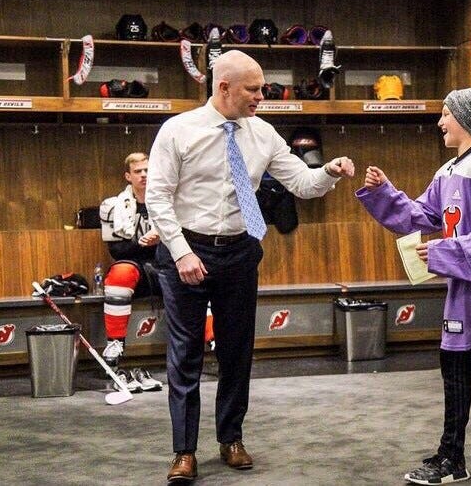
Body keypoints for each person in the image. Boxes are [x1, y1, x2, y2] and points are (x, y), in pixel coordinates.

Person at [145, 49, 355, 484]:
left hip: (240, 251)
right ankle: (184, 451)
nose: (263, 96)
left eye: (262, 88)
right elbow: (158, 197)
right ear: (224, 87)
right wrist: (182, 252)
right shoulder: (178, 131)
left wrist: (330, 172)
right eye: (254, 89)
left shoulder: (263, 134)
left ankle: (231, 439)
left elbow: (302, 183)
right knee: (184, 355)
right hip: (187, 249)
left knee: (237, 352)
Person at [355, 88, 471, 484]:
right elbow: (421, 215)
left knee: (463, 364)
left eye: (445, 114)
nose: (440, 122)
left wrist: (444, 252)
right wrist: (384, 190)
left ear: (466, 119)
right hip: (466, 288)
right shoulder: (449, 171)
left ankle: (454, 459)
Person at [99, 152, 165, 393]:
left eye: (148, 170)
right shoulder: (113, 206)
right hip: (134, 263)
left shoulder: (169, 200)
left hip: (166, 262)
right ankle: (115, 343)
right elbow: (117, 250)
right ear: (128, 176)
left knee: (196, 272)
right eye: (138, 171)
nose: (144, 175)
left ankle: (211, 342)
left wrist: (162, 240)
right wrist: (143, 243)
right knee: (119, 275)